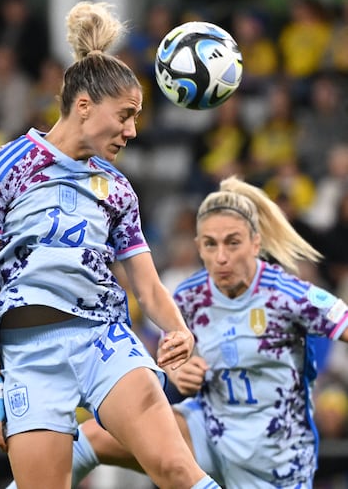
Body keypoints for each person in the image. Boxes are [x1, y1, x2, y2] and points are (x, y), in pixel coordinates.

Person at [0, 1, 219, 489]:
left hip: (103, 341)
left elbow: (148, 285)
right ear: (83, 106)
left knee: (179, 470)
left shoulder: (117, 188)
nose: (132, 131)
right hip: (28, 357)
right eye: (125, 116)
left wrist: (178, 329)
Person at [36, 175, 348, 489]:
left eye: (233, 242)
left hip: (274, 459)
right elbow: (171, 353)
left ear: (256, 243)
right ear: (199, 246)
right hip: (210, 431)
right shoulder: (189, 297)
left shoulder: (288, 296)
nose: (221, 257)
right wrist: (178, 369)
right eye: (211, 244)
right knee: (91, 437)